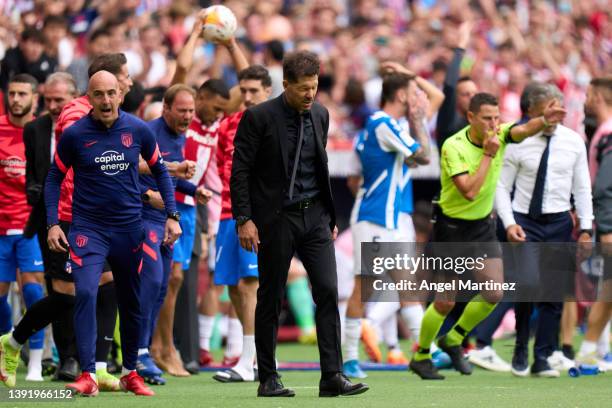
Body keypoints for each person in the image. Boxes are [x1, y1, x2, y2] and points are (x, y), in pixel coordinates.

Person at [231, 50, 368, 398]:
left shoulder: (320, 115)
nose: (310, 94)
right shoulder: (258, 118)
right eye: (303, 88)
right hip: (275, 220)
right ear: (286, 84)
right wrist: (244, 219)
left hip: (315, 218)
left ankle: (332, 375)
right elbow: (241, 172)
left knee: (327, 290)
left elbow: (318, 167)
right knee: (271, 296)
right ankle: (268, 377)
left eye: (315, 86)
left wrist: (329, 216)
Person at [409, 92, 566, 380]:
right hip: (452, 229)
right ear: (471, 118)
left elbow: (522, 129)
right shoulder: (453, 146)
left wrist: (543, 120)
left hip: (481, 227)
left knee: (494, 292)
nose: (494, 124)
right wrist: (489, 154)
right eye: (486, 119)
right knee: (445, 301)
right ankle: (421, 356)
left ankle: (454, 339)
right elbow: (469, 190)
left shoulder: (501, 134)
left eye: (497, 118)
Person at [44, 71, 180, 396]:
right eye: (99, 94)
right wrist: (52, 223)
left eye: (111, 93)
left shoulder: (138, 129)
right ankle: (88, 374)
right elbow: (53, 178)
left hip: (128, 229)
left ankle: (131, 372)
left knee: (131, 300)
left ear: (120, 94)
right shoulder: (75, 134)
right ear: (88, 98)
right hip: (88, 230)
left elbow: (160, 169)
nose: (106, 101)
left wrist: (171, 215)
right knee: (87, 292)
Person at [496, 83, 593, 377]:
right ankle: (521, 345)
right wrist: (509, 222)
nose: (553, 116)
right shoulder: (517, 140)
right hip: (525, 220)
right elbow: (501, 185)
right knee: (527, 283)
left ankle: (543, 355)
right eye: (546, 110)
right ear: (532, 112)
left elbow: (582, 186)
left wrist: (586, 228)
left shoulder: (573, 142)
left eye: (557, 109)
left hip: (559, 222)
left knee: (553, 292)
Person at [343, 70, 432, 378]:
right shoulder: (383, 123)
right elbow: (423, 156)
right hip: (373, 218)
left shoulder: (377, 127)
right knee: (363, 286)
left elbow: (355, 177)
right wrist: (420, 120)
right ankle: (350, 358)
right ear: (402, 96)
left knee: (406, 285)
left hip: (386, 217)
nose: (419, 98)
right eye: (414, 92)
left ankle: (425, 352)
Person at [136, 84, 211, 384]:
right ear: (165, 108)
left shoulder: (179, 135)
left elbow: (170, 176)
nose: (188, 116)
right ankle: (140, 353)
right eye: (181, 110)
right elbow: (134, 168)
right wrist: (148, 195)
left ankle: (146, 352)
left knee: (162, 287)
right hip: (143, 219)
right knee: (152, 283)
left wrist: (194, 190)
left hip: (166, 219)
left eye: (191, 111)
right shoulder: (147, 132)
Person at [213, 65, 272, 383]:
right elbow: (225, 168)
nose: (247, 97)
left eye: (254, 91)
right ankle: (252, 356)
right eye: (243, 91)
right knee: (234, 286)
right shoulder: (228, 126)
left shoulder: (275, 124)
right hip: (226, 213)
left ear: (267, 92)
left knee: (251, 286)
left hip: (257, 217)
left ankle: (255, 359)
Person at [22, 72, 80, 382]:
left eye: (60, 100)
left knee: (94, 285)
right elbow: (34, 173)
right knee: (58, 286)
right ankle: (67, 357)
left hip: (85, 217)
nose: (54, 106)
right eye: (49, 100)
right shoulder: (35, 129)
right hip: (49, 220)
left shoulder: (86, 128)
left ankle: (93, 358)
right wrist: (33, 187)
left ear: (74, 98)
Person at [0, 74, 44, 382]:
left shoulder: (41, 132)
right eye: (12, 93)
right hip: (1, 228)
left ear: (34, 98)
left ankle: (36, 365)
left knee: (32, 292)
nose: (16, 99)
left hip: (30, 226)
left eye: (22, 94)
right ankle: (6, 354)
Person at [576, 76, 612, 368]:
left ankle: (588, 353)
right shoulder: (606, 133)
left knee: (609, 290)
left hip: (606, 223)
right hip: (608, 225)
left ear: (599, 98)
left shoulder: (606, 132)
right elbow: (604, 188)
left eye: (588, 95)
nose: (585, 100)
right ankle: (588, 353)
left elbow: (603, 187)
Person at [436, 21, 477, 146]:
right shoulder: (449, 120)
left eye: (474, 93)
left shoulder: (477, 123)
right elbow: (450, 86)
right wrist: (461, 45)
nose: (471, 97)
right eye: (465, 94)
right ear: (456, 98)